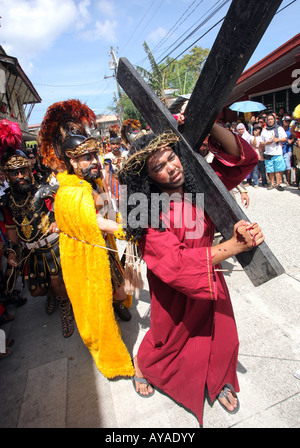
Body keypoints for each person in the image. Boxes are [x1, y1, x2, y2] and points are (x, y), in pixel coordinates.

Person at [97, 123, 263, 426]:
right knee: (168, 338)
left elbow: (243, 160)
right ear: (147, 178)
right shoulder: (148, 212)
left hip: (208, 275)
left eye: (171, 157)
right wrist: (232, 246)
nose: (171, 168)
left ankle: (220, 378)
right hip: (173, 288)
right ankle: (143, 366)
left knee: (222, 331)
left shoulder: (200, 185)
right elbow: (173, 265)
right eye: (159, 167)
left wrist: (209, 120)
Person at [38, 99, 134, 379]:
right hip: (86, 257)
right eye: (85, 157)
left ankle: (118, 304)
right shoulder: (71, 191)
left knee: (119, 292)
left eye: (94, 155)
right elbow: (92, 221)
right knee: (97, 309)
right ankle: (112, 357)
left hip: (104, 248)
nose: (93, 161)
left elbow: (107, 206)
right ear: (70, 159)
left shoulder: (93, 181)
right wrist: (125, 229)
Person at [0, 119, 74, 338]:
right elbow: (12, 229)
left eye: (23, 171)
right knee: (36, 290)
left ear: (29, 169)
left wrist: (56, 220)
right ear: (8, 175)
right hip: (31, 251)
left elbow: (60, 208)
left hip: (51, 247)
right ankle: (52, 294)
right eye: (15, 174)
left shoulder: (44, 189)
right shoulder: (7, 201)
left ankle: (66, 309)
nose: (20, 176)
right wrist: (12, 251)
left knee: (56, 281)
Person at [261, 113, 287, 191]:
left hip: (277, 152)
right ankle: (272, 184)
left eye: (271, 119)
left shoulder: (279, 129)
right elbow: (261, 142)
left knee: (278, 170)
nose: (270, 121)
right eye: (268, 119)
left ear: (274, 120)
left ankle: (278, 184)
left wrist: (277, 140)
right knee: (270, 170)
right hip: (268, 152)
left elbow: (285, 138)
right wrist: (267, 142)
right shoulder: (265, 130)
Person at [104, 127, 128, 207]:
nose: (115, 146)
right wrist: (107, 185)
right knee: (117, 199)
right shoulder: (108, 157)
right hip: (115, 180)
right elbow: (107, 172)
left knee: (126, 197)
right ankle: (120, 214)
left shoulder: (125, 154)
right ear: (110, 145)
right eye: (113, 144)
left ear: (120, 144)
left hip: (125, 179)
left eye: (117, 144)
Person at [281, 115, 294, 186]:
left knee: (288, 166)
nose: (286, 122)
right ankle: (282, 180)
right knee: (281, 166)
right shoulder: (280, 129)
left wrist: (290, 140)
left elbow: (293, 137)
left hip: (288, 150)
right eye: (285, 121)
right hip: (280, 149)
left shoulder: (291, 130)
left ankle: (289, 181)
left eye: (288, 121)